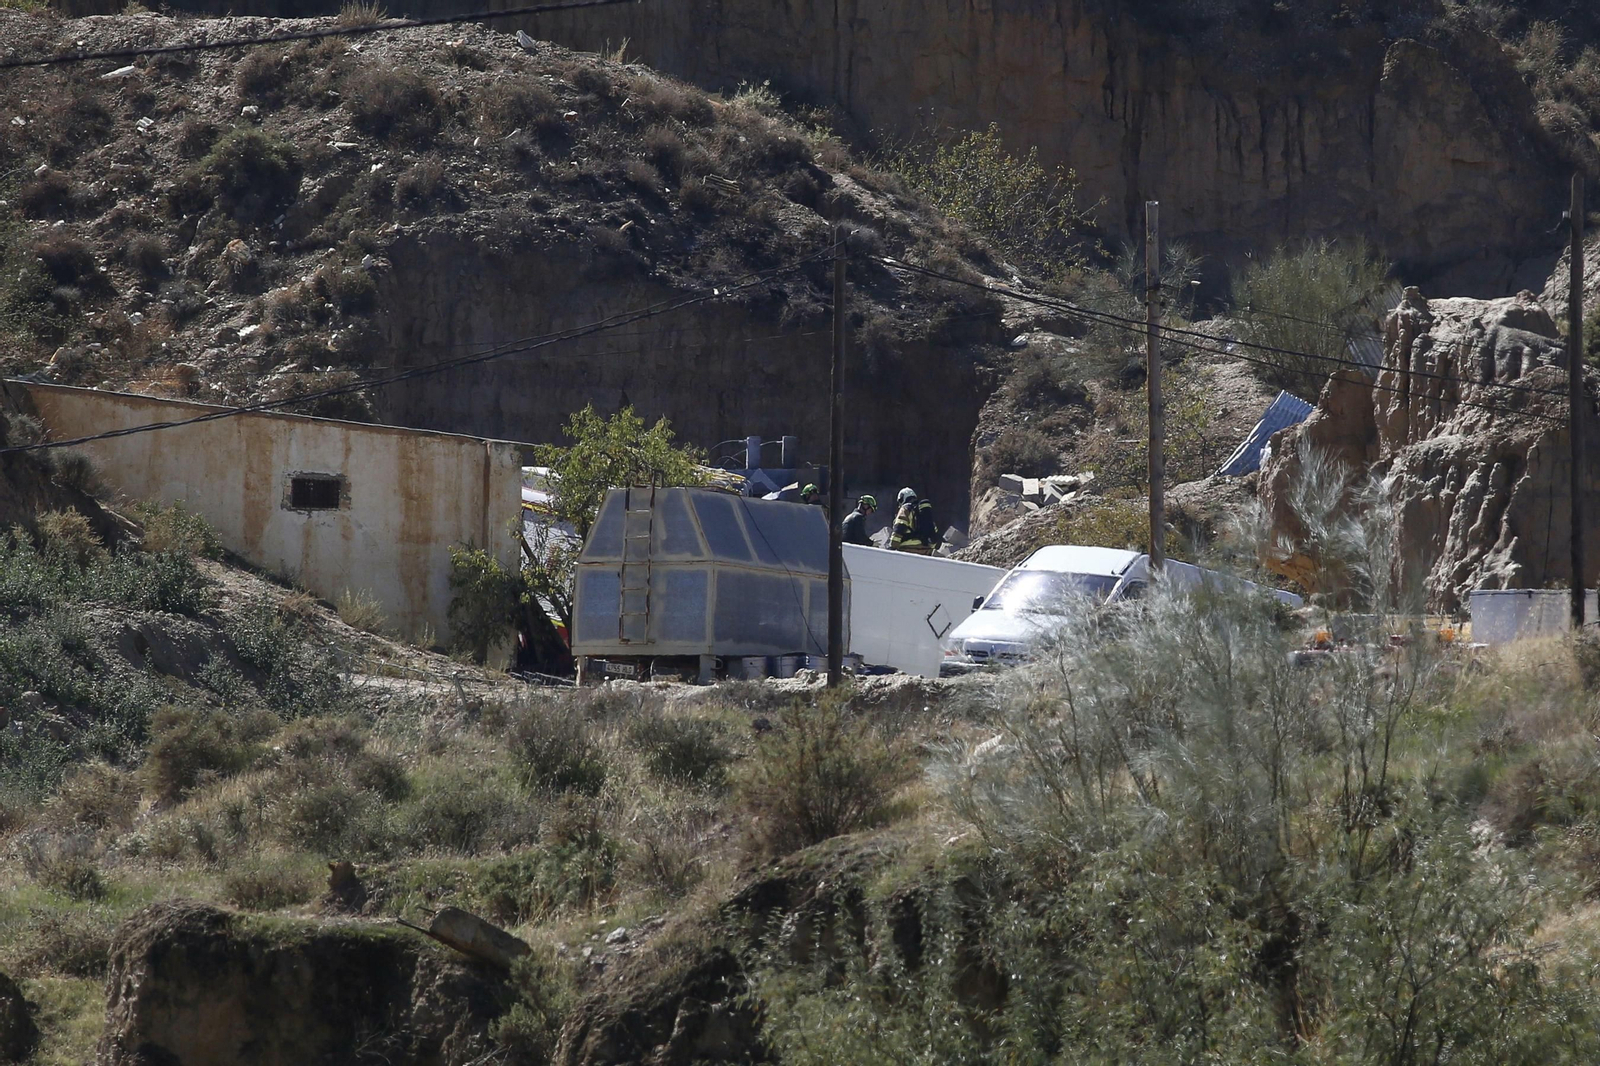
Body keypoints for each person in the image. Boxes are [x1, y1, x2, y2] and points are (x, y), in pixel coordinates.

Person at [890, 487, 942, 554]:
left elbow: (899, 527)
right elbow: (934, 535)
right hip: (925, 553)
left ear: (902, 499)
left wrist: (892, 547)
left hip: (907, 551)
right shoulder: (924, 513)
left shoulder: (905, 509)